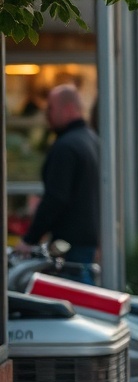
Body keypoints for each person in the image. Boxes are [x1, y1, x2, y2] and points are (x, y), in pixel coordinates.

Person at [16, 84, 101, 270]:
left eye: (51, 108)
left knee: (75, 293)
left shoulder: (66, 147)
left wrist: (30, 239)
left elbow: (56, 198)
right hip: (87, 241)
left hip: (70, 245)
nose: (48, 115)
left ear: (69, 108)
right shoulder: (90, 139)